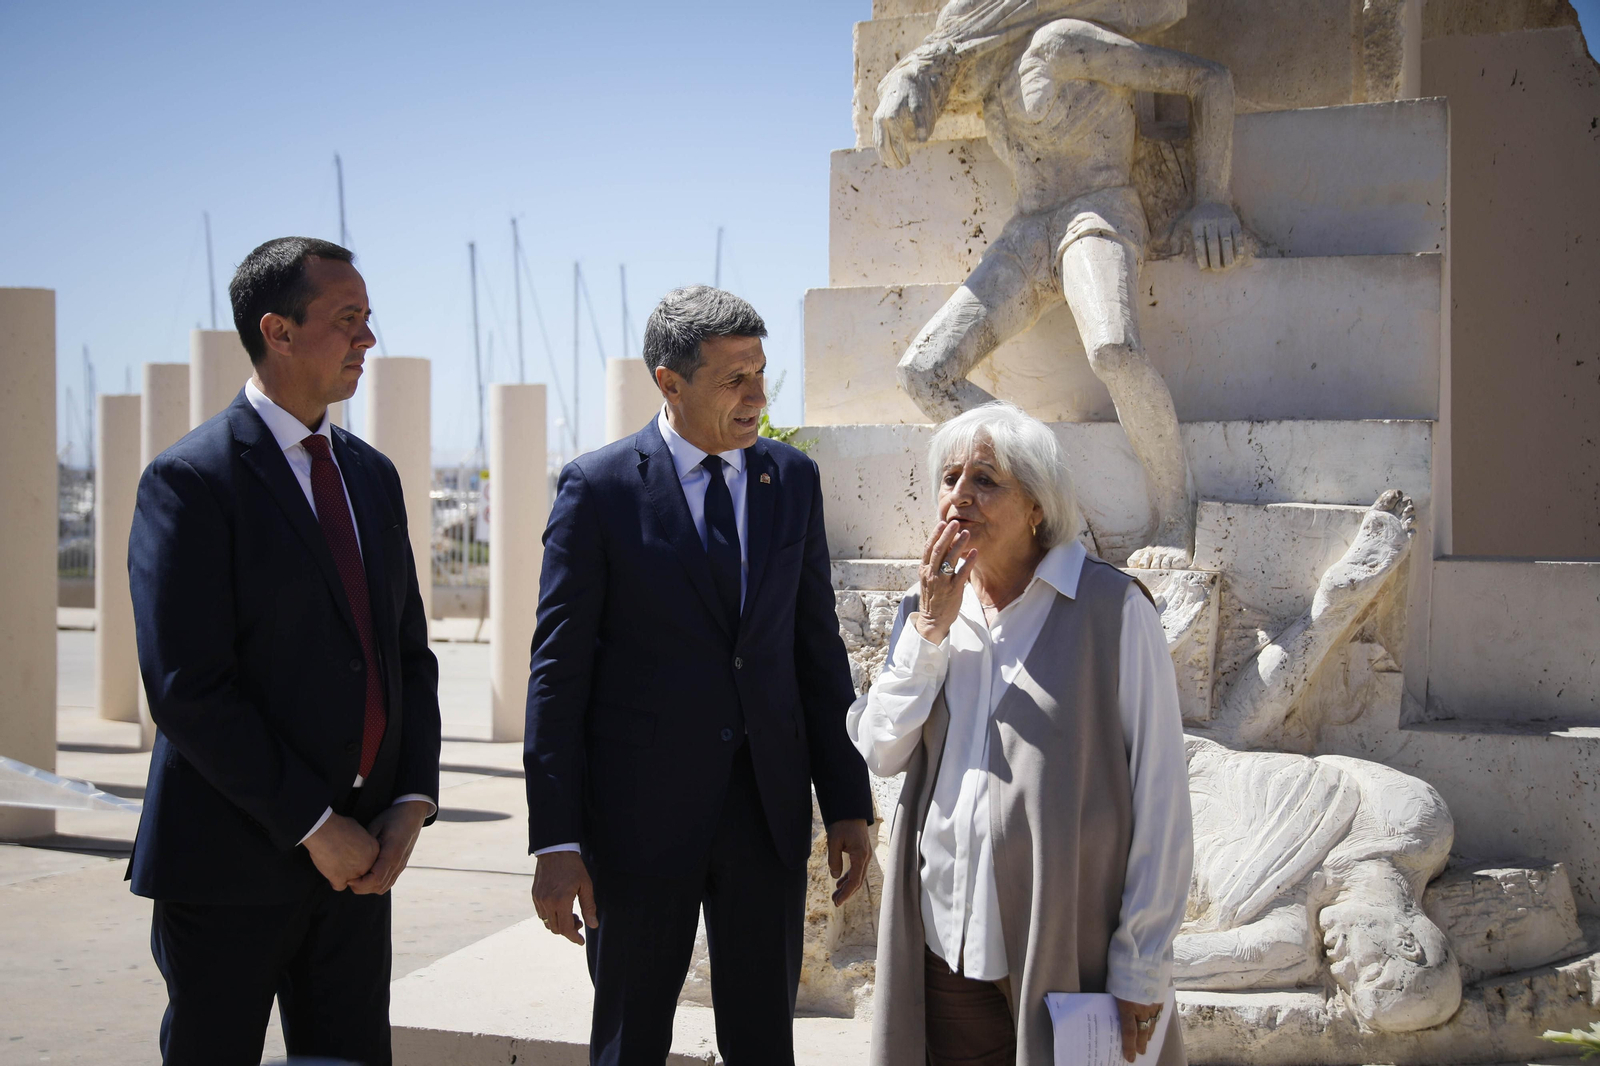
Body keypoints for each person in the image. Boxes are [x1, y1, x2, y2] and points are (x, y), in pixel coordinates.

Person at [524, 285, 875, 1065]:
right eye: (734, 380)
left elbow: (815, 650)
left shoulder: (792, 481)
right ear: (669, 382)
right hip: (635, 826)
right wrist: (555, 838)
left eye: (760, 374)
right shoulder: (599, 489)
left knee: (763, 1045)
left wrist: (848, 800)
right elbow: (557, 675)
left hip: (767, 816)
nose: (757, 397)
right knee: (629, 1040)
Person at [127, 237, 441, 1066]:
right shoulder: (190, 481)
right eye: (348, 320)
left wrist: (410, 799)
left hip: (360, 866)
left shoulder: (372, 476)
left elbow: (407, 654)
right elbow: (187, 686)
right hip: (230, 866)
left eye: (369, 319)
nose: (368, 339)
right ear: (279, 330)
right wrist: (312, 823)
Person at [849, 401, 1193, 1066]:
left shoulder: (1112, 611)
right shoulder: (926, 611)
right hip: (947, 948)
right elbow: (883, 750)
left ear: (1038, 506)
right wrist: (929, 634)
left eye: (986, 480)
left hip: (1070, 950)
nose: (960, 499)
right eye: (950, 479)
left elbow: (1162, 799)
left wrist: (1142, 966)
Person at [873, 0, 1246, 569]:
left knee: (1114, 350)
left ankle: (1174, 518)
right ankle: (1049, 491)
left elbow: (1208, 81)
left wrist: (1212, 199)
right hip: (1028, 230)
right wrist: (895, 92)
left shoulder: (1060, 43)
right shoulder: (983, 81)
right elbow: (924, 69)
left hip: (1096, 211)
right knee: (924, 373)